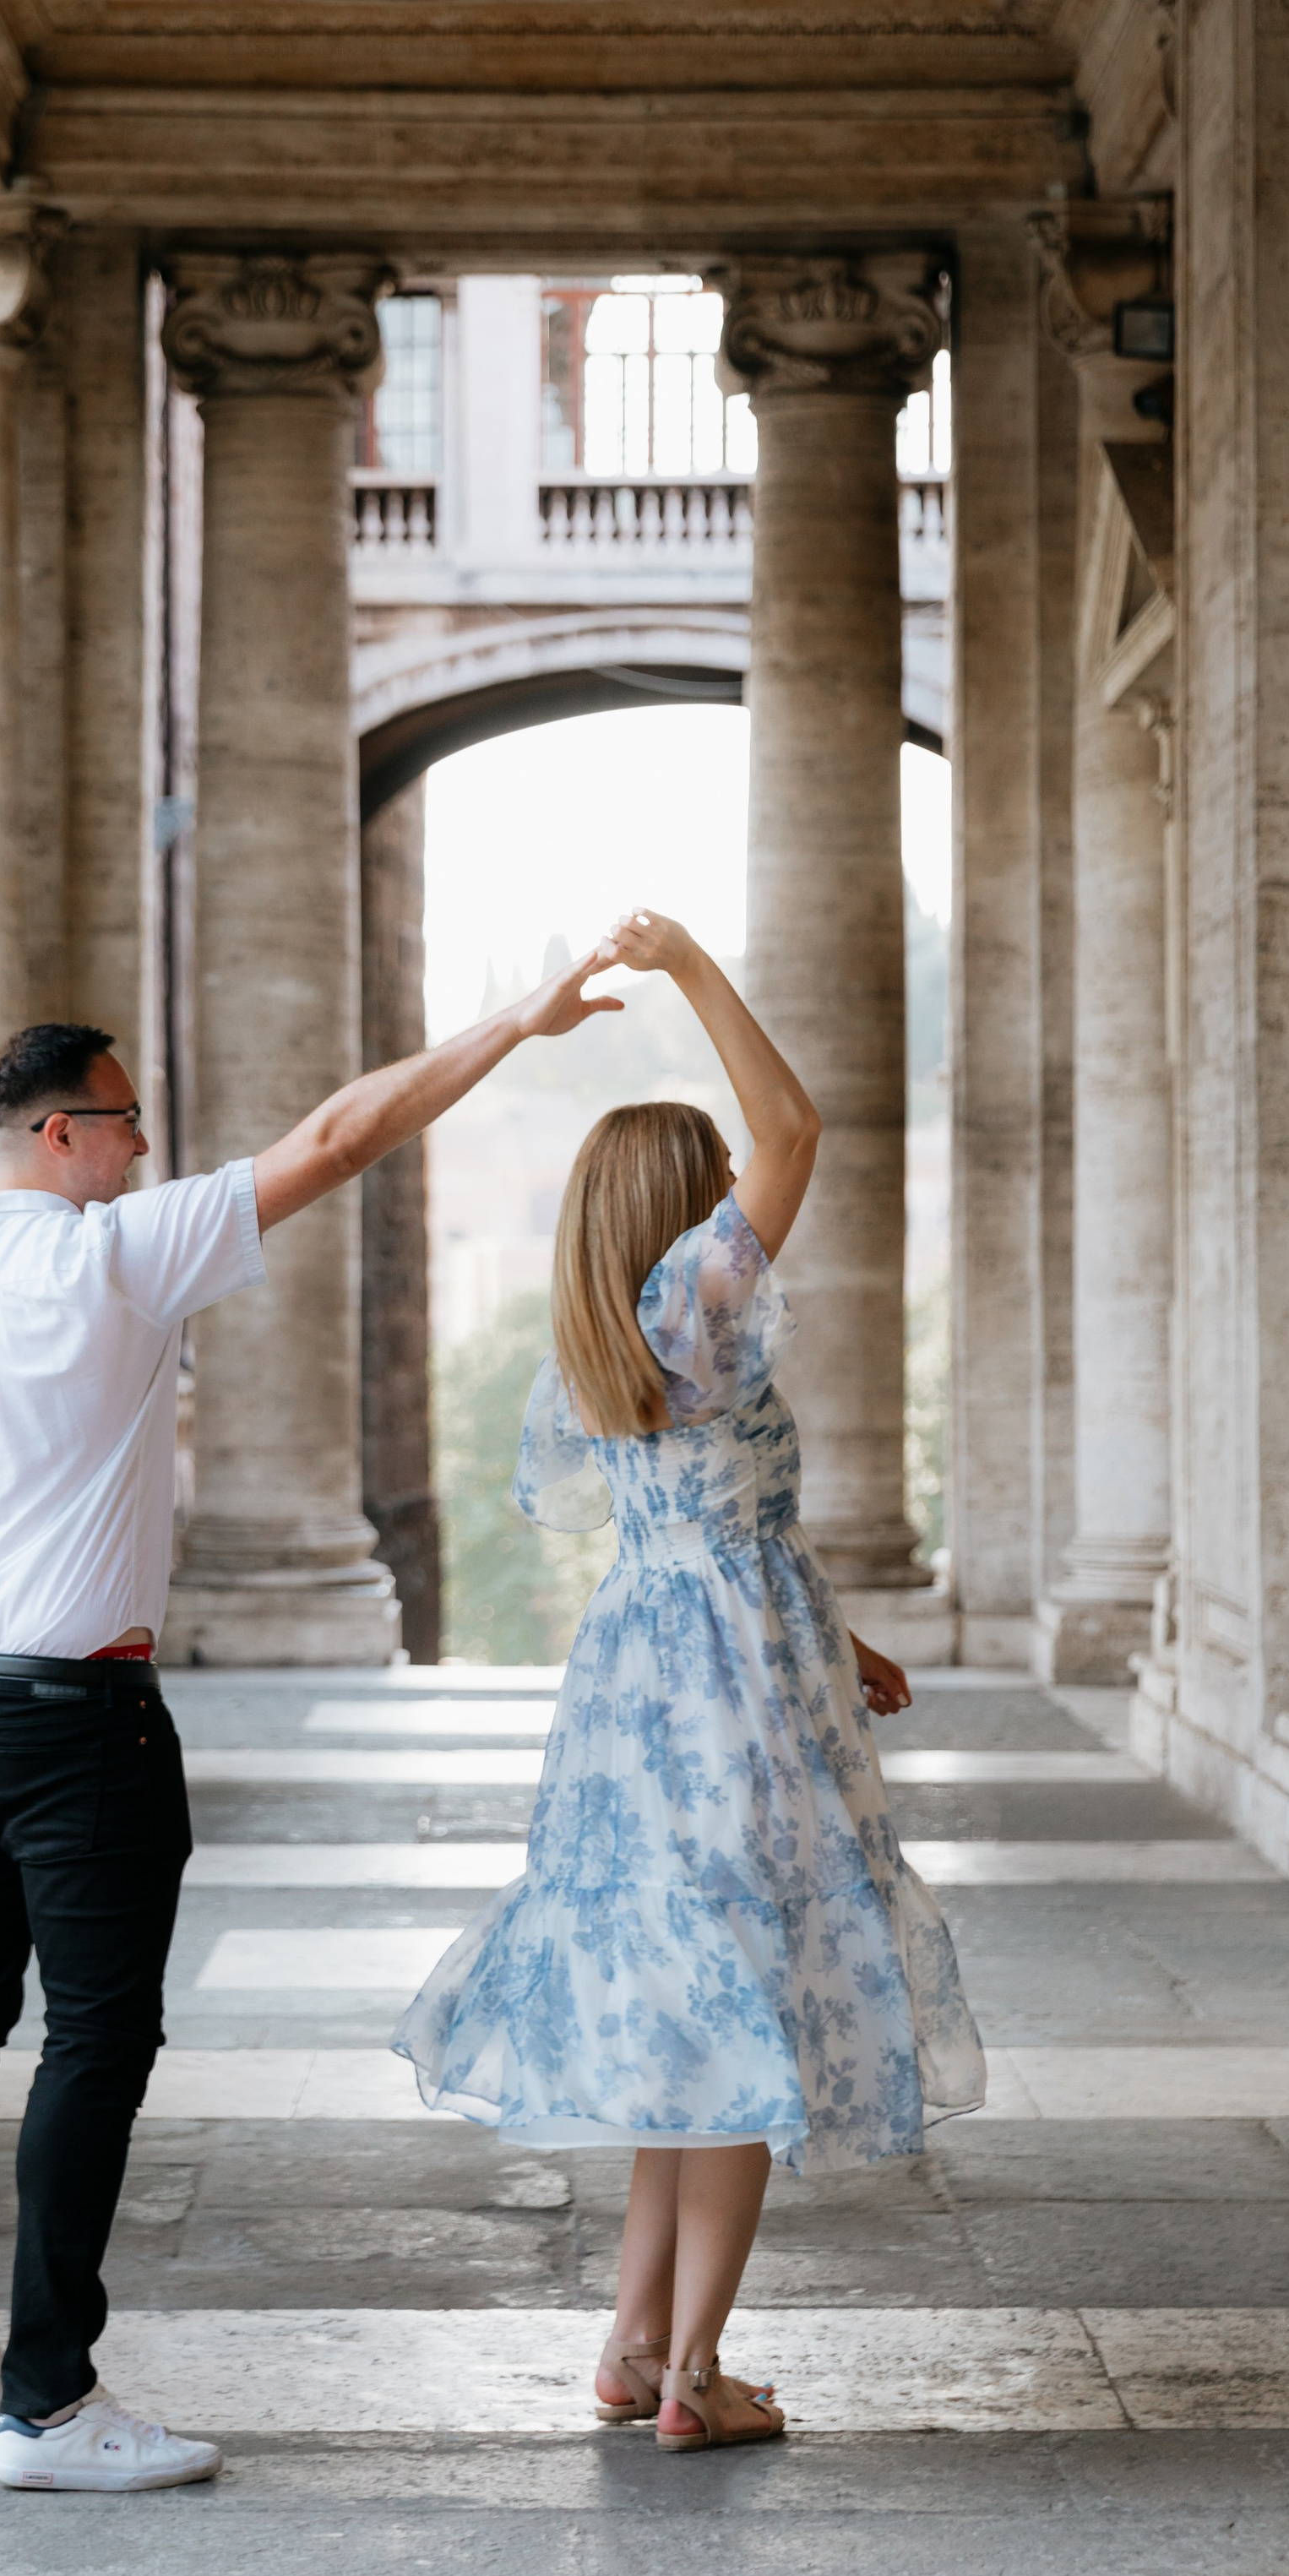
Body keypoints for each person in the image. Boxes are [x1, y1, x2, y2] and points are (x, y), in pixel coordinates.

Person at [0, 953, 624, 2492]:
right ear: (58, 1138)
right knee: (96, 2045)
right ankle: (49, 2405)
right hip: (86, 1719)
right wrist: (517, 1023)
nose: (141, 1147)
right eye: (123, 1122)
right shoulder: (112, 1258)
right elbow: (336, 1137)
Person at [395, 908, 983, 2451]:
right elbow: (797, 1121)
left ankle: (632, 2337)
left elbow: (699, 1522)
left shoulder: (592, 1342)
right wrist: (688, 968)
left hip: (648, 1688)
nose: (746, 1200)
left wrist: (835, 1641)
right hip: (726, 1703)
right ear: (684, 1213)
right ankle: (694, 2379)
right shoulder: (697, 1306)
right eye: (718, 1191)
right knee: (746, 2020)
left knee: (681, 2014)